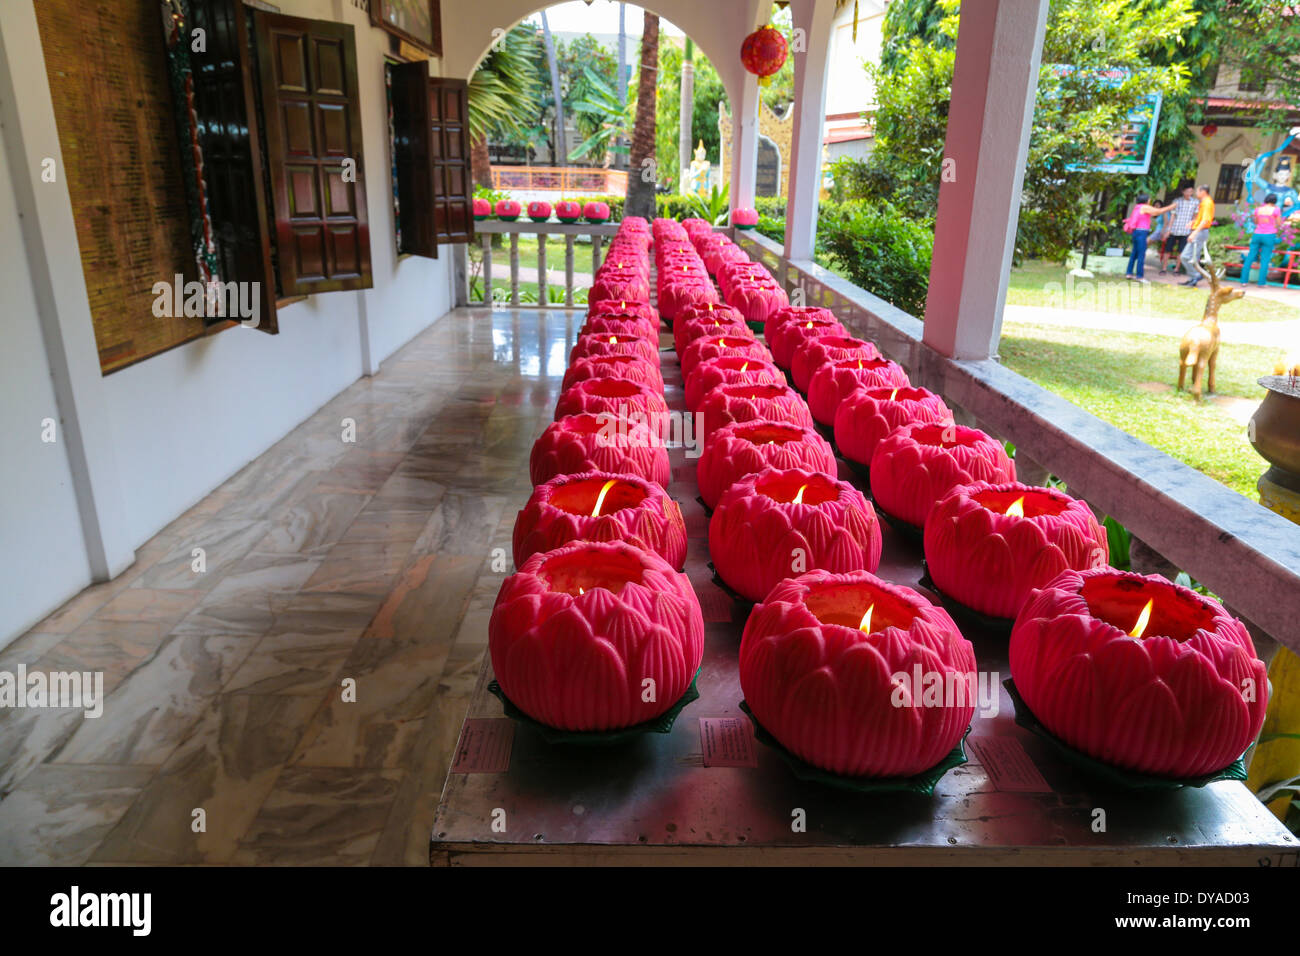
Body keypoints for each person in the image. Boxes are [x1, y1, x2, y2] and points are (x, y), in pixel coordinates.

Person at [1124, 194, 1175, 281]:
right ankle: (1140, 276)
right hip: (1142, 232)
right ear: (1146, 200)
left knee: (1134, 253)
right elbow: (1158, 212)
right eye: (1149, 199)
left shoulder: (1137, 207)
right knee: (1141, 254)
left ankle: (1129, 273)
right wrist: (1171, 206)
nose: (1150, 201)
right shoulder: (1144, 207)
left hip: (1136, 232)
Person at [1241, 192, 1284, 288]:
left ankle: (1243, 281)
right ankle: (1261, 283)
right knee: (1265, 259)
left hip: (1257, 234)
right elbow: (1279, 223)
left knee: (1250, 257)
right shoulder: (1276, 210)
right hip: (1269, 235)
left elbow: (1256, 221)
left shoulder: (1258, 209)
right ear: (1274, 201)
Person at [1179, 185, 1216, 287]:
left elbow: (1206, 220)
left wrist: (1194, 233)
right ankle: (1192, 279)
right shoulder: (1205, 202)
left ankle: (1196, 275)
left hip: (1200, 232)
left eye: (1197, 191)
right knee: (1192, 257)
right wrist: (1193, 222)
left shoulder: (1207, 203)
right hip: (1200, 231)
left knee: (1185, 256)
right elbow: (1202, 218)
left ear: (1203, 191)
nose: (1196, 193)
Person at [1160, 183, 1199, 274]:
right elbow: (1172, 216)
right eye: (1187, 191)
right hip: (1175, 228)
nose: (1189, 193)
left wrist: (1192, 230)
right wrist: (1168, 230)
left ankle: (1176, 269)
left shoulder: (1195, 202)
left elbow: (1195, 216)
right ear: (1183, 192)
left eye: (1191, 191)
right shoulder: (1177, 201)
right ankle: (1164, 268)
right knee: (1168, 250)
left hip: (1186, 230)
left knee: (1181, 251)